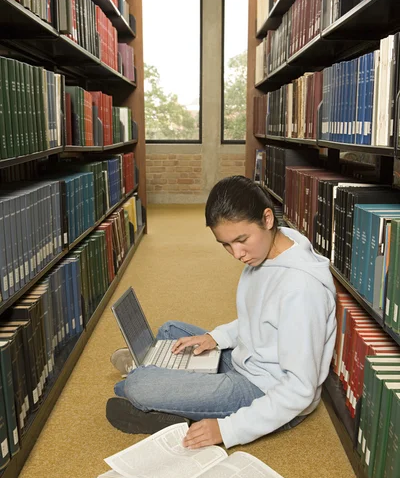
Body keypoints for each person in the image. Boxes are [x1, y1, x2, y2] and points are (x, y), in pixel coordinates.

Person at [106, 175, 337, 450]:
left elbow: (299, 390)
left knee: (138, 385)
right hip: (248, 361)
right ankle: (165, 381)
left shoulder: (301, 289)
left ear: (267, 219)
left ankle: (151, 390)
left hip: (265, 389)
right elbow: (261, 319)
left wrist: (228, 429)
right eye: (226, 244)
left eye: (241, 240)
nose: (237, 253)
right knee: (171, 330)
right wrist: (216, 337)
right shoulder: (268, 250)